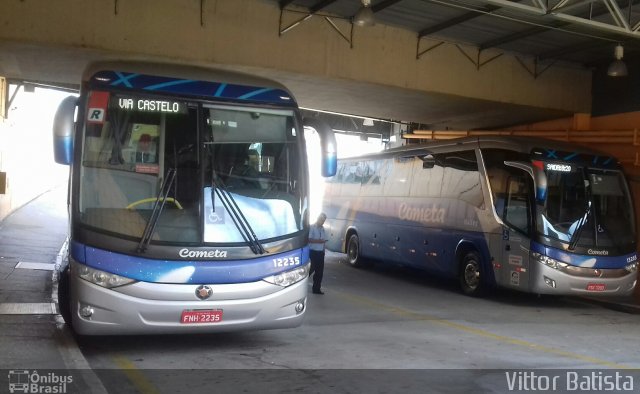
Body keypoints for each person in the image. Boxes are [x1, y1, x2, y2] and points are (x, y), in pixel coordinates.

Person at [308, 213, 328, 295]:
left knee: (319, 272)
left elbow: (324, 241)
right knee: (309, 270)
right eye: (321, 220)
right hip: (313, 252)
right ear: (318, 218)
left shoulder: (323, 229)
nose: (322, 222)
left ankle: (316, 289)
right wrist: (319, 241)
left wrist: (323, 251)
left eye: (323, 221)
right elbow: (309, 239)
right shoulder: (312, 227)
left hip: (320, 253)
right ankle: (299, 286)